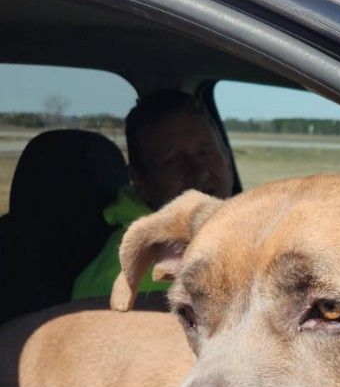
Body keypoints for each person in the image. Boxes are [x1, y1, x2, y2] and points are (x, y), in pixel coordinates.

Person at [71, 90, 236, 300]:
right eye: (173, 160)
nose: (199, 171)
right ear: (140, 181)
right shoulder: (125, 277)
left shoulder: (243, 232)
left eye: (204, 152)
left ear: (228, 161)